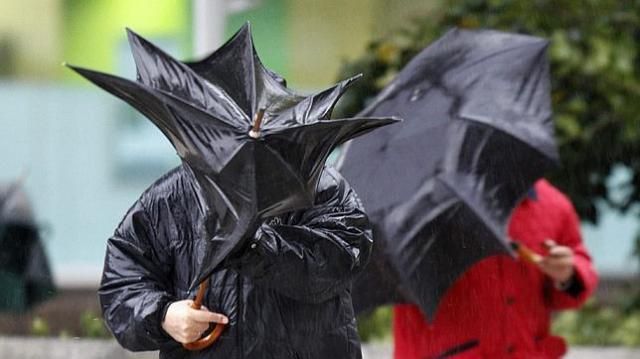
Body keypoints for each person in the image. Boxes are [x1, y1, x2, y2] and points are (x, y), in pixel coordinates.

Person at [99, 165, 372, 358]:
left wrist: (253, 243)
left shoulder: (320, 188)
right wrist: (162, 315)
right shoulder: (173, 197)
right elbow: (123, 279)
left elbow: (339, 259)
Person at [393, 179, 598, 359]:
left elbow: (579, 267)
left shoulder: (553, 205)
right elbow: (392, 273)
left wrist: (567, 275)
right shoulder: (418, 199)